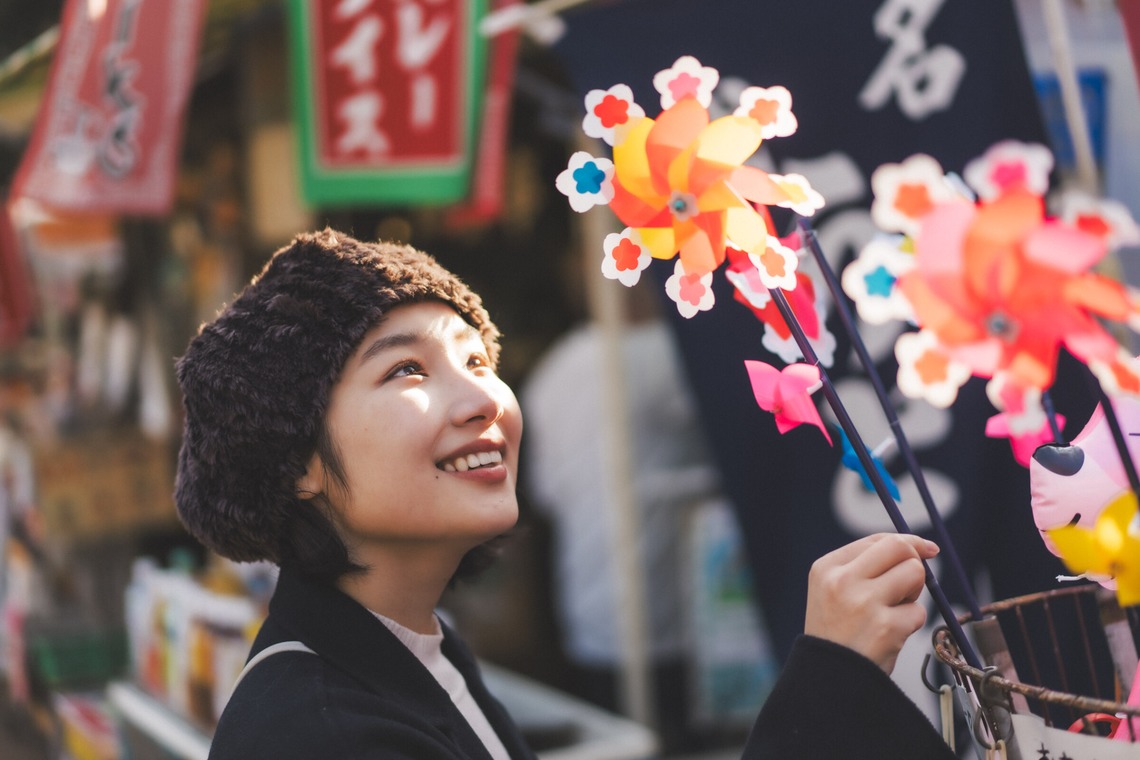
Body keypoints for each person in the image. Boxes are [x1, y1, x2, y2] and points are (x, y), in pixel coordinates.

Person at [174, 228, 955, 759]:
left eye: (476, 361)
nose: (482, 399)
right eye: (406, 369)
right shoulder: (319, 735)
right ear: (296, 458)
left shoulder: (414, 652)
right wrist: (829, 686)